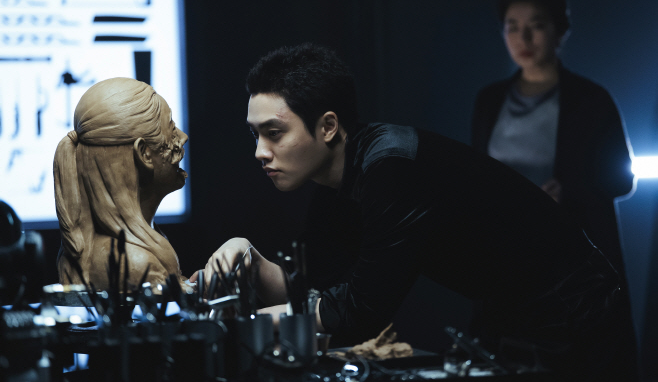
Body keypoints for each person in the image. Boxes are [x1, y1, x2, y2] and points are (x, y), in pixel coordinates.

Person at [194, 43, 632, 380]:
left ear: (327, 126)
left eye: (274, 133)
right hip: (515, 314)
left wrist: (236, 326)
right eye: (255, 135)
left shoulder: (390, 168)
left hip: (576, 311)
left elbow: (359, 312)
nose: (260, 152)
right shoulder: (333, 179)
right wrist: (251, 261)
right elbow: (316, 295)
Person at [472, 0, 638, 379]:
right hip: (505, 255)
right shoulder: (490, 100)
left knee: (577, 362)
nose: (524, 38)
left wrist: (570, 191)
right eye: (512, 27)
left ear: (560, 31)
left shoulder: (591, 100)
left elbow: (623, 179)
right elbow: (475, 176)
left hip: (572, 261)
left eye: (537, 25)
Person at [54, 77, 189, 290]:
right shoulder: (137, 265)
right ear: (144, 154)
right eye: (171, 129)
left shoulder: (130, 251)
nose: (183, 137)